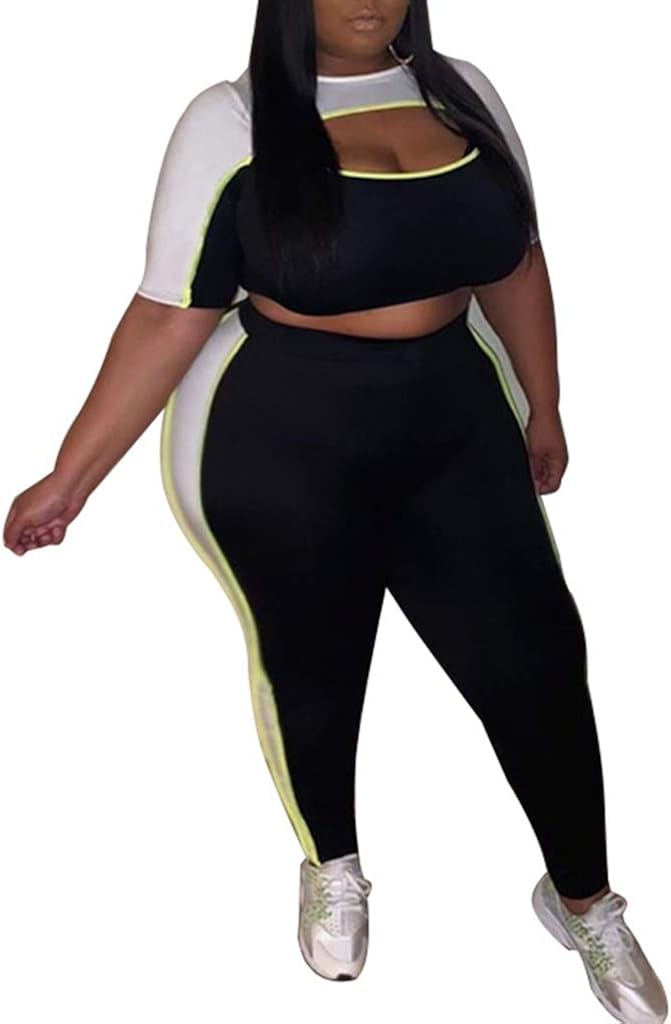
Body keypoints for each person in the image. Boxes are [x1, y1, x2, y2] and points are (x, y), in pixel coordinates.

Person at [3, 0, 667, 1019]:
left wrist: (543, 402)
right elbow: (169, 311)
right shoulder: (230, 121)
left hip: (451, 420)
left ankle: (581, 898)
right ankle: (332, 860)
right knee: (312, 667)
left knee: (537, 663)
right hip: (278, 436)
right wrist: (70, 476)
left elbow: (515, 261)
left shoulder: (465, 94)